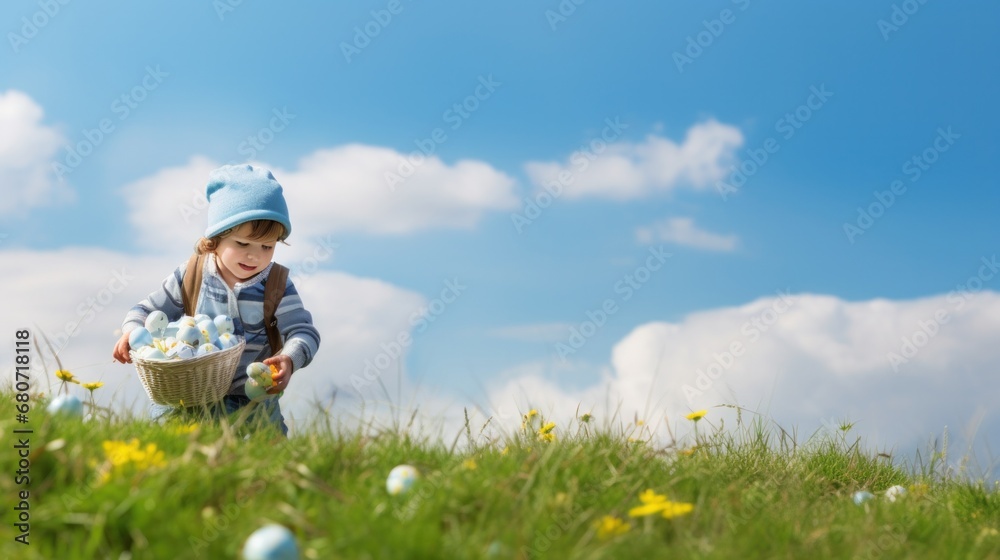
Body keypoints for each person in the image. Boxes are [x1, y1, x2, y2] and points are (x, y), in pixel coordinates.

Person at [112, 164, 320, 435]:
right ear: (215, 239)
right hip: (186, 396)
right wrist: (131, 331)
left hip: (252, 400)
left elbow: (303, 331)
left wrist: (290, 359)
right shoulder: (192, 274)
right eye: (243, 244)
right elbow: (146, 310)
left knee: (264, 464)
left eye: (267, 247)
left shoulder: (277, 285)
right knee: (172, 451)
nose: (254, 256)